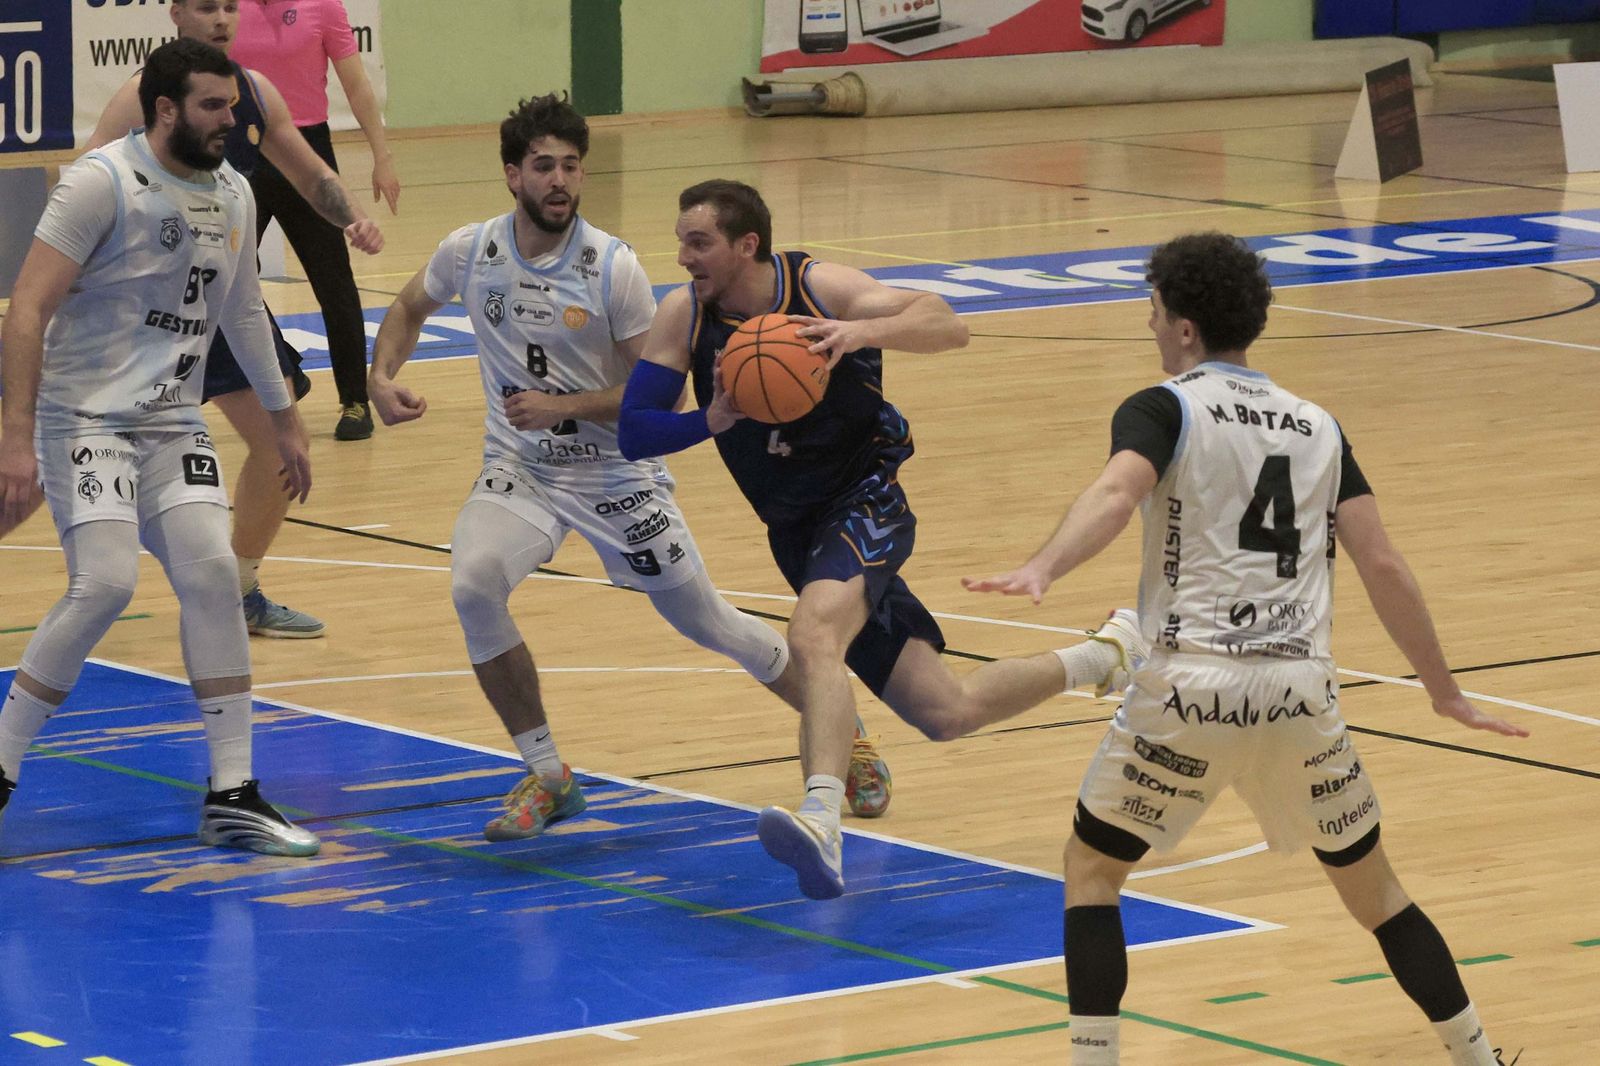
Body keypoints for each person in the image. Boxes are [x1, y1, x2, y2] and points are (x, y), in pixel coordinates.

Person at [964, 232, 1527, 1065]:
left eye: (1153, 312)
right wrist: (1442, 690)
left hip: (1192, 687)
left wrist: (1045, 564)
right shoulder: (1319, 425)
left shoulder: (1166, 406)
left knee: (1091, 871)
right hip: (1303, 693)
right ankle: (1481, 1058)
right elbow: (1381, 562)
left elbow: (1119, 491)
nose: (1149, 326)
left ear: (1185, 329)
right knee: (1379, 897)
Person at [369, 96, 905, 843]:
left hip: (617, 476)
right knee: (473, 582)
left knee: (711, 624)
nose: (560, 180)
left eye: (571, 166)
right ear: (511, 174)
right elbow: (405, 306)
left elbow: (652, 402)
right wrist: (380, 375)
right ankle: (550, 777)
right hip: (523, 472)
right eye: (545, 166)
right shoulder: (472, 250)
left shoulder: (610, 267)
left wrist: (567, 403)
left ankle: (846, 739)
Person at [615, 179, 1144, 901]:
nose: (683, 256)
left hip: (866, 500)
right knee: (945, 711)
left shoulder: (822, 287)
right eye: (681, 241)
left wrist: (862, 333)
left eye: (698, 242)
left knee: (813, 635)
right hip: (796, 529)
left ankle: (823, 820)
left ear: (746, 245)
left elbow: (946, 322)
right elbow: (634, 429)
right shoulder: (687, 314)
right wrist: (707, 421)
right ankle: (1109, 654)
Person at [0, 38, 321, 856]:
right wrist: (15, 435)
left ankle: (234, 792)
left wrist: (283, 418)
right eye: (214, 107)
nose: (231, 120)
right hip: (84, 419)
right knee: (105, 584)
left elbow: (244, 311)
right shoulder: (100, 182)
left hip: (172, 422)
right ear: (168, 109)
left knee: (214, 572)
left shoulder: (237, 194)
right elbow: (28, 310)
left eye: (233, 104)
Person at [87, 0, 387, 638]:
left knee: (285, 442)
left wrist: (352, 216)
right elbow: (83, 184)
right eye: (207, 7)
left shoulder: (252, 93)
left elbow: (311, 174)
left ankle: (239, 587)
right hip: (141, 312)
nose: (221, 18)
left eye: (229, 6)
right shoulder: (142, 96)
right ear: (176, 15)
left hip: (219, 299)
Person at [232, 0, 400, 442]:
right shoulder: (227, 9)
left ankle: (354, 400)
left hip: (307, 148)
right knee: (226, 276)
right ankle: (285, 362)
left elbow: (357, 85)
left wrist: (382, 157)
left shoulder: (322, 6)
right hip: (244, 150)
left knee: (333, 280)